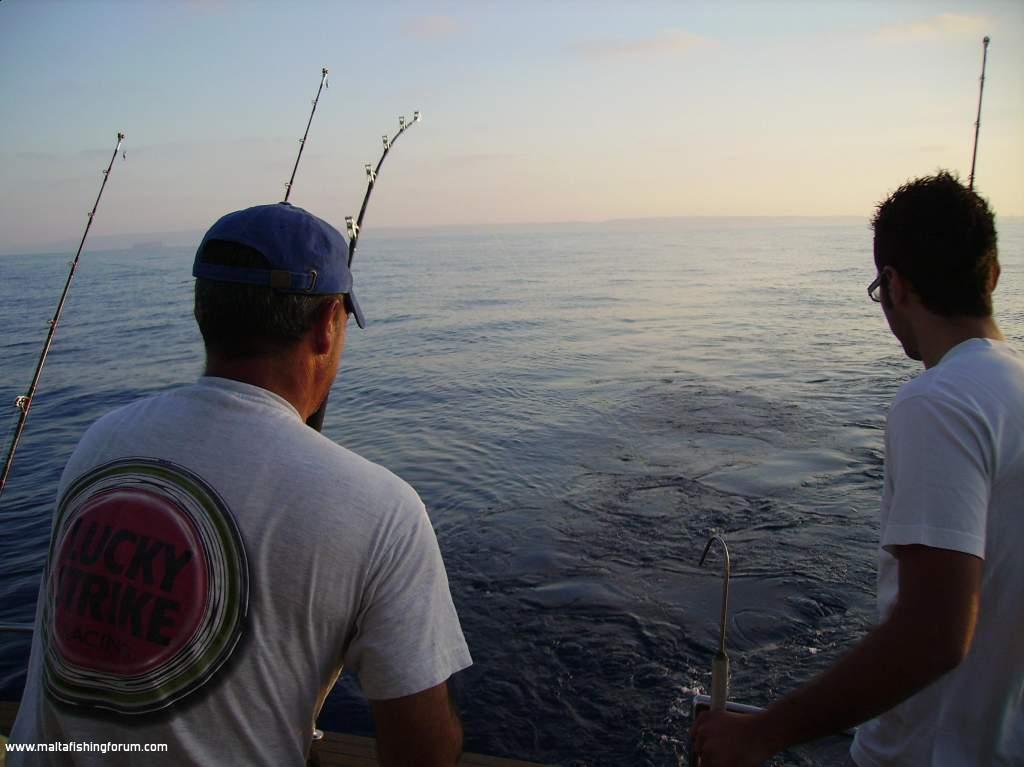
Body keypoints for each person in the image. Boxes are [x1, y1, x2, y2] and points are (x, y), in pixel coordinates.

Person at [10, 202, 473, 766]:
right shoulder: (383, 511)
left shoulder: (100, 443)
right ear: (328, 324)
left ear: (204, 310)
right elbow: (422, 751)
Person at [691, 172, 1023, 766]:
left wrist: (764, 731)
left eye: (879, 288)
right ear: (992, 275)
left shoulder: (939, 401)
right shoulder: (1013, 393)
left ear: (894, 285)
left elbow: (935, 636)